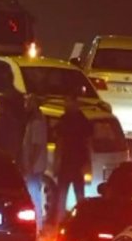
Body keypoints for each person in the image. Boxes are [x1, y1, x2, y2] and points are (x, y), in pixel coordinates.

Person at [54, 95, 93, 223]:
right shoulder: (83, 120)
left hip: (69, 163)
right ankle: (81, 220)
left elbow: (59, 143)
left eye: (67, 102)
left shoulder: (66, 120)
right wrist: (88, 162)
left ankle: (61, 221)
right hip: (77, 163)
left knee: (63, 195)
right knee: (77, 194)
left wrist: (57, 161)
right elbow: (88, 143)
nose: (65, 105)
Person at [21, 95, 47, 229]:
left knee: (34, 194)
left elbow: (36, 145)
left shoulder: (36, 122)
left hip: (34, 167)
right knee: (35, 193)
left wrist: (30, 164)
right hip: (35, 165)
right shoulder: (35, 120)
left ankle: (38, 225)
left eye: (28, 102)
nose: (26, 105)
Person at [0, 92, 25, 161]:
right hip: (12, 159)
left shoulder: (1, 122)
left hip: (1, 158)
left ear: (4, 106)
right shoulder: (17, 123)